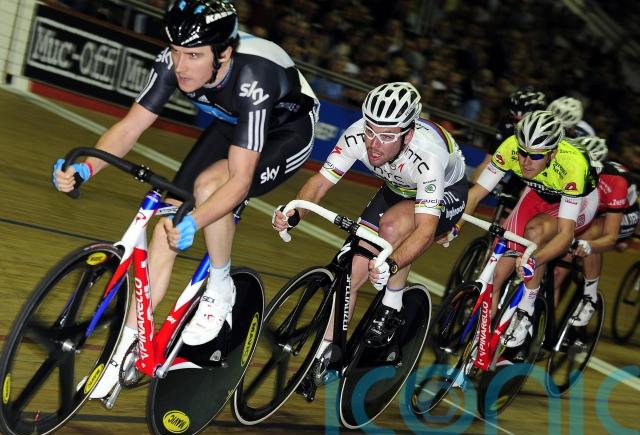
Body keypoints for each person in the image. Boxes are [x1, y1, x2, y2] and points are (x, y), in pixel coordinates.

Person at [52, 0, 318, 398]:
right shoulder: (172, 62)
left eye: (194, 56)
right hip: (234, 123)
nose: (181, 65)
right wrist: (87, 168)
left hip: (286, 132)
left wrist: (197, 219)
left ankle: (221, 286)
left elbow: (239, 181)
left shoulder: (254, 75)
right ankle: (121, 355)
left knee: (211, 189)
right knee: (166, 228)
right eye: (176, 52)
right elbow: (130, 127)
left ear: (223, 53)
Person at [272, 82, 468, 394]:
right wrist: (294, 212)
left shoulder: (427, 155)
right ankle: (326, 357)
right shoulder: (356, 134)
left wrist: (391, 265)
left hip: (445, 193)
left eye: (387, 136)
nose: (374, 144)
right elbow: (320, 183)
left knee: (392, 227)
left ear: (407, 135)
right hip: (397, 187)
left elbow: (424, 230)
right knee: (351, 273)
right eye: (371, 131)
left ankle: (391, 305)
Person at [458, 110, 599, 361]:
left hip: (577, 203)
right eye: (523, 152)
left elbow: (565, 234)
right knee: (497, 272)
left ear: (552, 153)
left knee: (535, 234)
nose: (525, 161)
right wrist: (455, 225)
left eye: (535, 156)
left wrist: (533, 260)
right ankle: (477, 348)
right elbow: (476, 193)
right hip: (537, 193)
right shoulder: (511, 147)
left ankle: (526, 309)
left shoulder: (572, 165)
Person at [556, 136, 639, 325]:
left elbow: (609, 232)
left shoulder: (615, 180)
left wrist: (618, 241)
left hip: (624, 213)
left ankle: (589, 297)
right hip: (598, 209)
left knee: (589, 236)